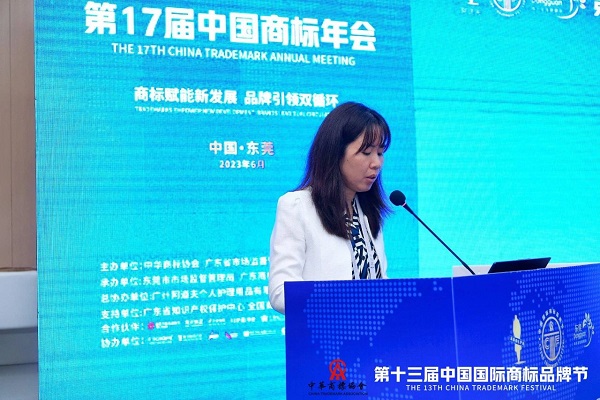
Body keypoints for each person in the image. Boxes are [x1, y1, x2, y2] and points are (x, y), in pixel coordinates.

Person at [268, 101, 392, 314]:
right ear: (335, 153)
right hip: (327, 331)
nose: (376, 163)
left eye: (380, 153)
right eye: (366, 152)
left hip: (374, 332)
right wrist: (341, 304)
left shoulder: (368, 211)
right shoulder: (297, 206)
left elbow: (377, 280)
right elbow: (280, 292)